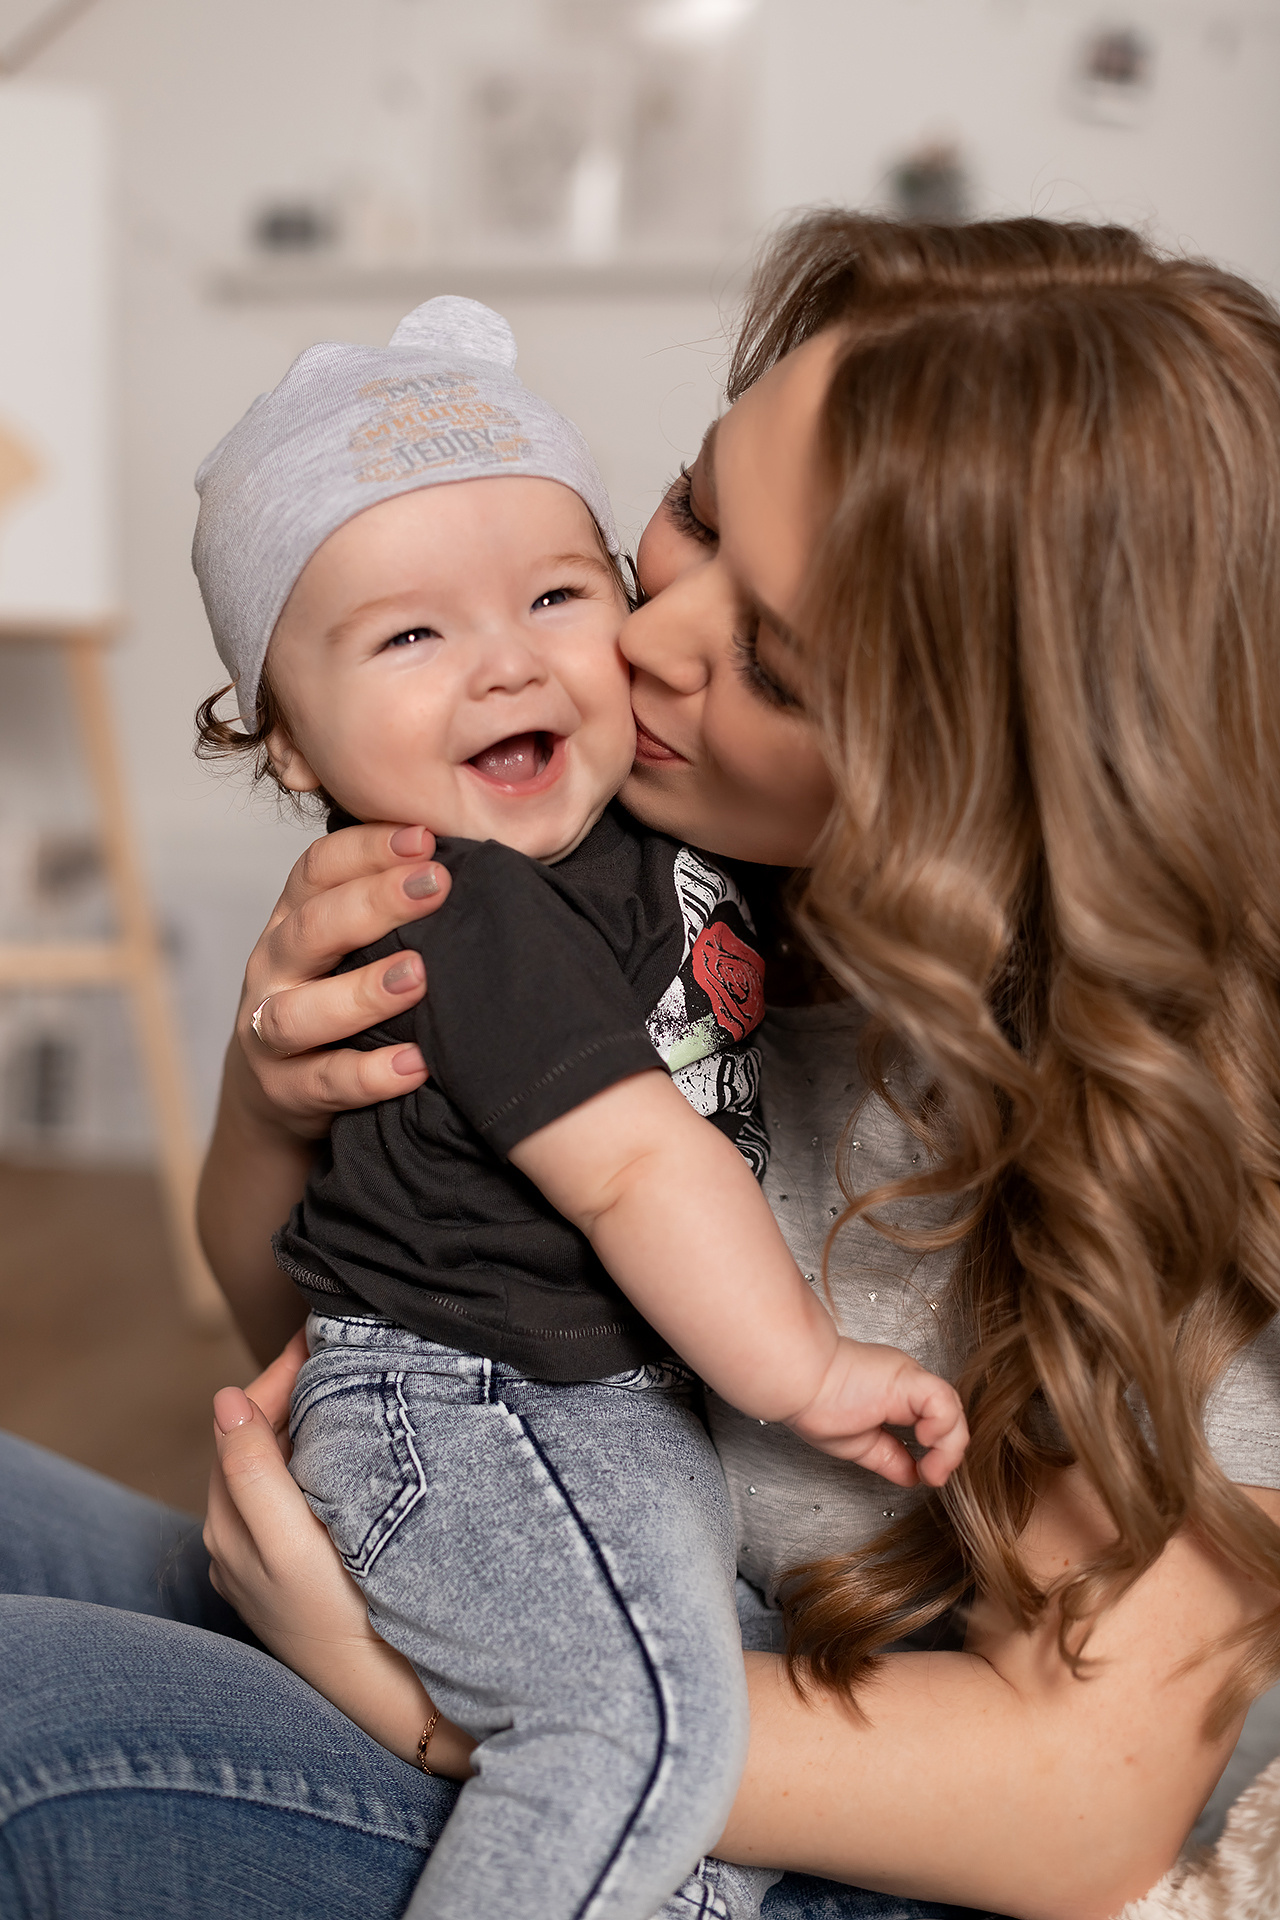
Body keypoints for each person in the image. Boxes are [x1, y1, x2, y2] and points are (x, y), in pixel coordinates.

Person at [4, 210, 1280, 1920]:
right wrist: (272, 1090)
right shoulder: (638, 864)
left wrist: (456, 1713)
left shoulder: (1143, 1116)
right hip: (528, 1587)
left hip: (776, 1811)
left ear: (1000, 771)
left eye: (774, 662)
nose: (652, 634)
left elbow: (1077, 1801)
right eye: (682, 513)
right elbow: (315, 1322)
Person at [189, 291, 965, 1920]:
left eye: (557, 592)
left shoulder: (671, 844)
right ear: (283, 743)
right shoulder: (461, 898)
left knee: (680, 1801)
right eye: (411, 636)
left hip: (586, 1415)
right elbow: (626, 1165)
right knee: (632, 1726)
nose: (512, 662)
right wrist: (806, 1369)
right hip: (485, 1408)